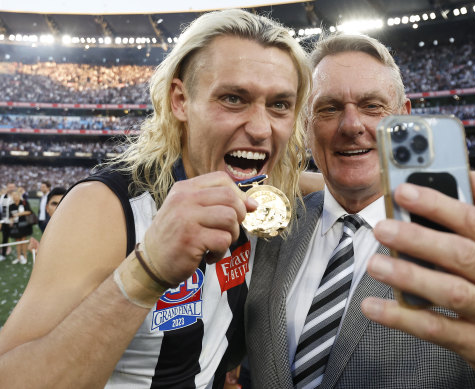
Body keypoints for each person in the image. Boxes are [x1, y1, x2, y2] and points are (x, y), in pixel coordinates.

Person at [245, 33, 475, 388]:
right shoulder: (272, 227)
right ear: (306, 123)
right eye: (328, 108)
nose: (352, 126)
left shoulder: (471, 240)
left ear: (403, 118)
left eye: (372, 106)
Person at [0, 9, 311, 388]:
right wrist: (145, 273)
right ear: (180, 100)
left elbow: (318, 186)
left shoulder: (259, 198)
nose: (261, 128)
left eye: (280, 104)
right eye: (233, 98)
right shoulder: (105, 209)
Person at [27, 186, 67, 254]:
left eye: (63, 203)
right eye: (54, 204)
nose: (59, 207)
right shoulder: (49, 232)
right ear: (47, 208)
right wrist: (40, 252)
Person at [7, 188, 32, 264]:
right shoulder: (11, 206)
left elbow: (29, 212)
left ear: (19, 195)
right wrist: (11, 221)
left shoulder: (24, 202)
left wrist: (19, 214)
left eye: (16, 195)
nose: (15, 197)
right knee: (17, 242)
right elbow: (10, 216)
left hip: (24, 225)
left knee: (23, 241)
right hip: (16, 226)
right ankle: (18, 257)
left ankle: (24, 256)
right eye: (13, 196)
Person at [0, 182, 16, 261]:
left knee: (19, 237)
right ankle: (3, 254)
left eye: (12, 187)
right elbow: (1, 209)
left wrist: (13, 219)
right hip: (5, 221)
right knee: (5, 238)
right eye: (10, 187)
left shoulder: (16, 196)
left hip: (16, 222)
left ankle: (20, 254)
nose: (11, 189)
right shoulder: (4, 196)